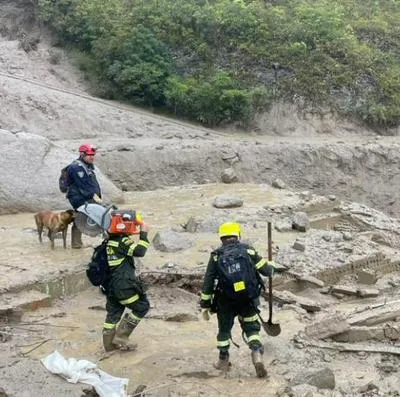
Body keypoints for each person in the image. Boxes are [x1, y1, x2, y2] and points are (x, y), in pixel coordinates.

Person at [200, 222, 276, 378]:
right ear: (238, 235)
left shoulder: (216, 256)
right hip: (248, 299)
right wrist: (272, 266)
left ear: (221, 238)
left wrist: (205, 305)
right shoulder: (248, 250)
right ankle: (256, 353)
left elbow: (208, 282)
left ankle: (223, 361)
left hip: (225, 301)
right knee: (252, 329)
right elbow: (267, 271)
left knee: (224, 330)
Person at [102, 215, 150, 352]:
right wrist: (144, 233)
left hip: (111, 286)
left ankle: (109, 347)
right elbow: (140, 251)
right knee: (142, 306)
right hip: (123, 285)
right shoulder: (122, 241)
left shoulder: (109, 242)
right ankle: (121, 337)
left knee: (112, 314)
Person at [66, 143, 102, 248]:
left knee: (80, 217)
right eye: (89, 155)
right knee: (81, 217)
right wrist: (95, 200)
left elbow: (91, 184)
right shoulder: (77, 167)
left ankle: (76, 244)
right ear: (82, 154)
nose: (92, 157)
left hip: (83, 196)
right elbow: (85, 186)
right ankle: (76, 244)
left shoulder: (87, 166)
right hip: (78, 197)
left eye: (93, 155)